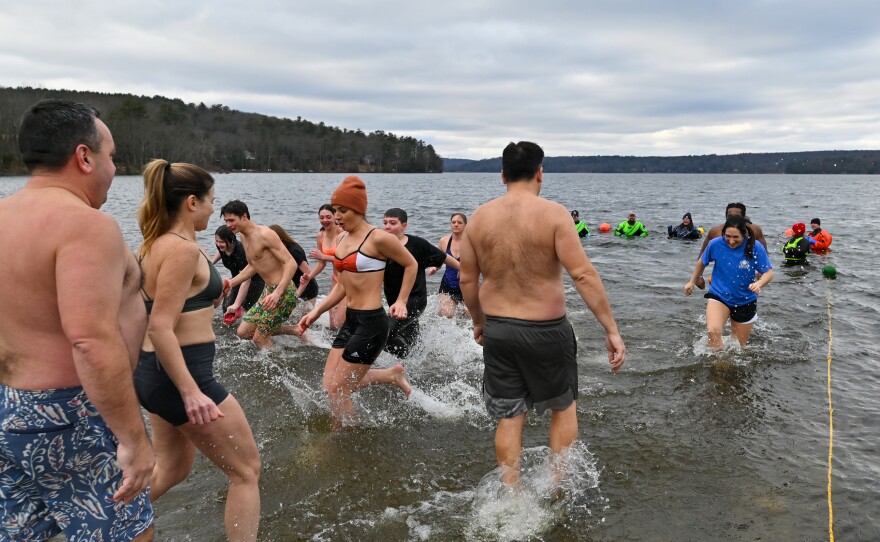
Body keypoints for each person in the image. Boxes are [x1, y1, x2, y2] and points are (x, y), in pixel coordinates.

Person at [0, 99, 154, 540]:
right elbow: (90, 339)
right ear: (84, 157)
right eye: (111, 156)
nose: (114, 167)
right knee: (127, 532)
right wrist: (134, 440)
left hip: (8, 406)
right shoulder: (85, 224)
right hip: (68, 413)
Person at [459, 141, 626, 487]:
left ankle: (511, 494)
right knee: (563, 406)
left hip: (499, 331)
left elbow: (466, 279)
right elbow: (583, 275)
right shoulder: (554, 214)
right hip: (546, 331)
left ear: (502, 175)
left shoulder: (478, 218)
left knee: (509, 416)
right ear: (540, 173)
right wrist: (611, 329)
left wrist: (478, 321)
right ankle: (557, 486)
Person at [134, 160, 261, 540]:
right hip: (182, 375)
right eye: (210, 201)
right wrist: (190, 392)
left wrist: (212, 293)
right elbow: (160, 325)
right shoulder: (182, 250)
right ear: (192, 202)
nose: (212, 209)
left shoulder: (152, 244)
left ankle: (102, 523)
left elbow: (159, 306)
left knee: (172, 470)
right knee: (246, 472)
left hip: (154, 373)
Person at [298, 176, 418, 427]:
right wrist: (316, 312)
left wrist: (402, 300)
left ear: (359, 209)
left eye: (343, 210)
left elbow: (411, 264)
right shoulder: (342, 239)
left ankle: (342, 434)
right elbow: (343, 284)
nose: (337, 216)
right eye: (335, 210)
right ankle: (390, 375)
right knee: (328, 385)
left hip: (372, 323)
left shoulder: (378, 238)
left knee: (339, 390)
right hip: (351, 320)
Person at [684, 215, 774, 350]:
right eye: (727, 236)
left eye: (736, 237)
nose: (731, 241)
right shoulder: (715, 244)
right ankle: (717, 361)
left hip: (745, 299)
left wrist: (759, 283)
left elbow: (769, 273)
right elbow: (702, 262)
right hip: (719, 294)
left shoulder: (755, 247)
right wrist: (692, 281)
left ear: (744, 234)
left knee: (739, 346)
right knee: (713, 331)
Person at [382, 207, 460, 358]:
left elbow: (442, 257)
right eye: (385, 223)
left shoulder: (417, 244)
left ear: (404, 226)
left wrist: (462, 268)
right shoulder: (381, 246)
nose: (387, 227)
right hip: (394, 300)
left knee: (384, 333)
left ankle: (404, 361)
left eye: (392, 223)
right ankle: (416, 361)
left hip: (415, 299)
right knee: (411, 342)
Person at [221, 200, 299, 348]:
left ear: (244, 216)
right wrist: (231, 283)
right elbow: (253, 266)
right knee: (243, 332)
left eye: (231, 220)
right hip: (268, 291)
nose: (228, 225)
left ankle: (278, 360)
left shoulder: (265, 234)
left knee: (259, 339)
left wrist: (277, 293)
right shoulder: (243, 236)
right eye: (226, 221)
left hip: (283, 291)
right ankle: (294, 329)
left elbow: (291, 263)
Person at [695, 202, 767, 289]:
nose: (733, 218)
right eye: (729, 216)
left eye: (737, 216)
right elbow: (703, 255)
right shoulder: (715, 232)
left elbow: (764, 253)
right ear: (726, 216)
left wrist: (761, 273)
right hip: (721, 271)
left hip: (743, 271)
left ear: (744, 217)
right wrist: (698, 276)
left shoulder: (755, 230)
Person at [212, 225, 265, 322]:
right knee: (226, 306)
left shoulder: (241, 252)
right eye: (217, 241)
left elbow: (246, 279)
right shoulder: (222, 247)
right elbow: (221, 252)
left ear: (231, 240)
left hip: (254, 280)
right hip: (237, 278)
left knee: (246, 309)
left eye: (222, 242)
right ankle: (229, 328)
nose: (219, 244)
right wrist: (211, 263)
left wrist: (236, 304)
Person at [307, 204, 347, 329]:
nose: (325, 220)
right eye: (322, 217)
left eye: (328, 217)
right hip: (335, 280)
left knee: (340, 322)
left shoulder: (342, 232)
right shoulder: (320, 235)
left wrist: (323, 256)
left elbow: (346, 259)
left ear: (335, 216)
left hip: (348, 280)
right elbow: (321, 263)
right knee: (333, 325)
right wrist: (309, 277)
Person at [269, 224, 320, 306]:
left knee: (306, 314)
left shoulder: (293, 251)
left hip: (308, 290)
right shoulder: (280, 250)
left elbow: (308, 274)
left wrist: (297, 293)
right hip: (294, 288)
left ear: (280, 238)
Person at [437, 212, 469, 318]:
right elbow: (438, 260)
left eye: (459, 222)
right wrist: (434, 268)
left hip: (467, 284)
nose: (456, 224)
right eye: (453, 222)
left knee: (469, 317)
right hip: (448, 283)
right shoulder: (444, 241)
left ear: (465, 225)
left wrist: (463, 269)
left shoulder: (471, 242)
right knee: (446, 315)